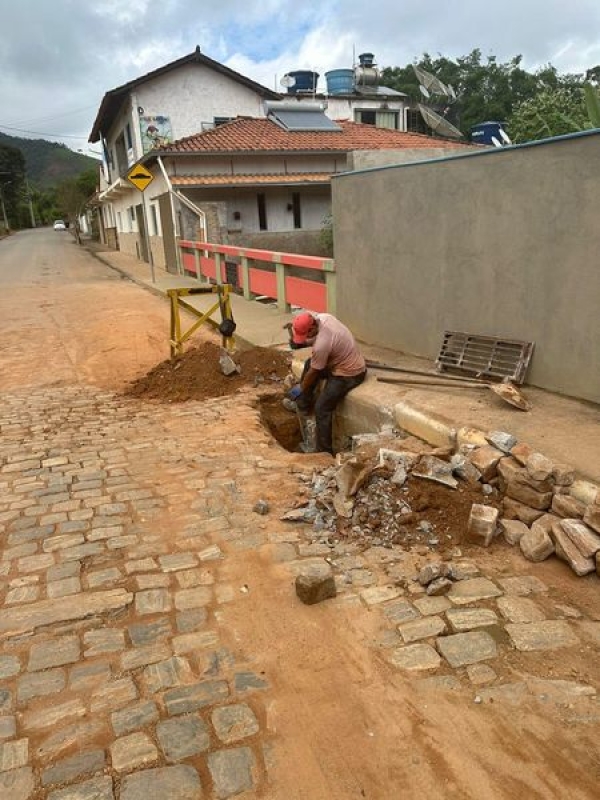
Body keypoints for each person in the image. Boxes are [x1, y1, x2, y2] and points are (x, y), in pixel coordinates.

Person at [284, 311, 367, 454]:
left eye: (306, 335)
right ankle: (302, 405)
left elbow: (315, 371)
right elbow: (315, 355)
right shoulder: (323, 318)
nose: (305, 339)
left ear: (312, 329)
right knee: (310, 363)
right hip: (337, 363)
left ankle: (323, 451)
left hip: (350, 374)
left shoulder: (322, 344)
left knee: (322, 407)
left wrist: (300, 388)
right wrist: (301, 339)